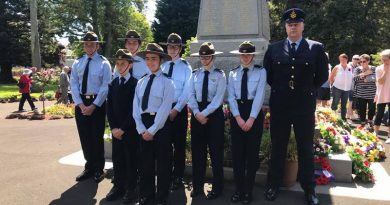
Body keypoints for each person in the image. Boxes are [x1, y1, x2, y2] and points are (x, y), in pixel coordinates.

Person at [263, 8, 328, 205]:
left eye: (296, 24)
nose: (293, 27)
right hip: (281, 106)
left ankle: (309, 189)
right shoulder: (273, 48)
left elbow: (322, 76)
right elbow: (269, 75)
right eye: (289, 24)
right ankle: (274, 185)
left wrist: (306, 90)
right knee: (278, 147)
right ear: (285, 27)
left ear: (302, 26)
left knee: (305, 148)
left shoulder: (315, 48)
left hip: (303, 107)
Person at [133, 43, 174, 205]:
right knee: (145, 163)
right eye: (148, 59)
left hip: (160, 126)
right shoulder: (141, 82)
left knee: (163, 164)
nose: (150, 62)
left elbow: (165, 109)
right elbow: (135, 107)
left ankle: (161, 197)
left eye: (154, 59)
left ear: (161, 60)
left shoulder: (167, 82)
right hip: (144, 125)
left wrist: (153, 130)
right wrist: (141, 128)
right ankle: (146, 195)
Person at [228, 41, 267, 204]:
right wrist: (237, 117)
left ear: (253, 56)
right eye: (242, 54)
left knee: (251, 155)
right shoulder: (233, 73)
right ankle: (238, 189)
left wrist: (250, 119)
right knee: (237, 155)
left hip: (254, 114)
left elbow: (259, 96)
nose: (245, 57)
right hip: (237, 114)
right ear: (239, 55)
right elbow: (230, 96)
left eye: (248, 54)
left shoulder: (261, 72)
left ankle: (248, 191)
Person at [70, 32, 112, 183]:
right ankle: (89, 167)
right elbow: (73, 84)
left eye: (92, 44)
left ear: (97, 45)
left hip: (97, 105)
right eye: (86, 44)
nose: (89, 46)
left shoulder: (104, 63)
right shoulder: (77, 62)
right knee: (85, 137)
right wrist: (81, 104)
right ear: (84, 45)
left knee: (96, 137)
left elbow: (105, 86)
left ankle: (99, 169)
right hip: (81, 104)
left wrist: (94, 106)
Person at [188, 42, 226, 200]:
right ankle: (197, 185)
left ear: (213, 57)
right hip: (198, 116)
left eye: (207, 57)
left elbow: (218, 99)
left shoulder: (220, 75)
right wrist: (197, 113)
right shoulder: (195, 74)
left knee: (216, 153)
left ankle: (218, 187)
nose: (204, 60)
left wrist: (204, 113)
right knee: (198, 153)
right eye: (202, 57)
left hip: (214, 116)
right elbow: (190, 94)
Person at [105, 49, 140, 203]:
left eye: (123, 63)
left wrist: (123, 128)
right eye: (118, 64)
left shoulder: (136, 84)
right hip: (116, 130)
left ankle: (131, 188)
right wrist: (113, 128)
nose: (119, 66)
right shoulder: (113, 83)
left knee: (131, 159)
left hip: (130, 130)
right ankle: (118, 185)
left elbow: (134, 110)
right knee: (117, 158)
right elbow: (109, 108)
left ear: (130, 65)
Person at [160, 33, 192, 190]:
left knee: (179, 146)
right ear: (167, 48)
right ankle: (166, 174)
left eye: (175, 47)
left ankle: (178, 176)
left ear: (180, 48)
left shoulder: (186, 67)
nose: (172, 49)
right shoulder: (162, 65)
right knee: (165, 145)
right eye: (170, 47)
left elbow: (187, 91)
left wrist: (176, 109)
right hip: (163, 111)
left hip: (178, 111)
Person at [353, 54, 376, 127]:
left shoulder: (373, 68)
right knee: (362, 109)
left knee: (372, 109)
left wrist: (367, 78)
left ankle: (370, 121)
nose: (362, 63)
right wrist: (366, 73)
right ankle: (362, 123)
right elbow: (354, 79)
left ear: (368, 61)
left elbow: (376, 78)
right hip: (361, 93)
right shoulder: (357, 69)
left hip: (372, 93)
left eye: (364, 61)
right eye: (360, 62)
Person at [329, 53, 353, 120]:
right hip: (337, 88)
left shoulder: (350, 67)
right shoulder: (337, 67)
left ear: (347, 59)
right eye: (340, 59)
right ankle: (332, 118)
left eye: (343, 59)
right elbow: (331, 77)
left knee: (344, 104)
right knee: (335, 103)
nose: (342, 61)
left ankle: (343, 118)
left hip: (346, 89)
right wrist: (332, 85)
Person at [374, 49, 390, 143]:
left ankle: (389, 136)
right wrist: (385, 71)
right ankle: (375, 133)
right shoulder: (379, 68)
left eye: (385, 59)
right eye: (382, 59)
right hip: (381, 94)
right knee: (379, 114)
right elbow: (380, 81)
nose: (383, 61)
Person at [347, 54, 361, 119]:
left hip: (356, 86)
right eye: (355, 58)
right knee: (350, 101)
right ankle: (351, 115)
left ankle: (348, 114)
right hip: (349, 86)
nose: (356, 60)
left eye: (357, 59)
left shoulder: (359, 67)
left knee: (352, 101)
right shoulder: (348, 66)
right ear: (352, 59)